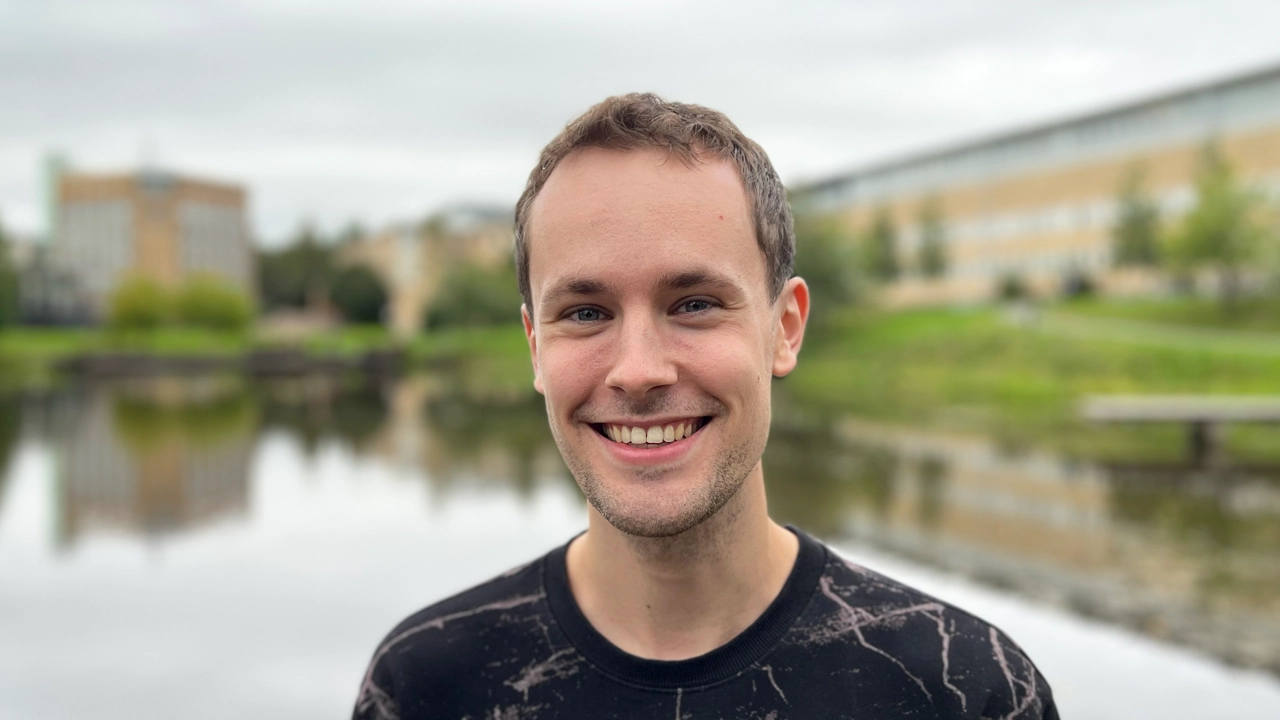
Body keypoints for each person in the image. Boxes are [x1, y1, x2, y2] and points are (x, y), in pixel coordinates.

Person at [352, 93, 1058, 720]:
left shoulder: (965, 691)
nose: (638, 371)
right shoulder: (425, 685)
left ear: (784, 328)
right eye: (586, 312)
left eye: (694, 304)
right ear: (536, 346)